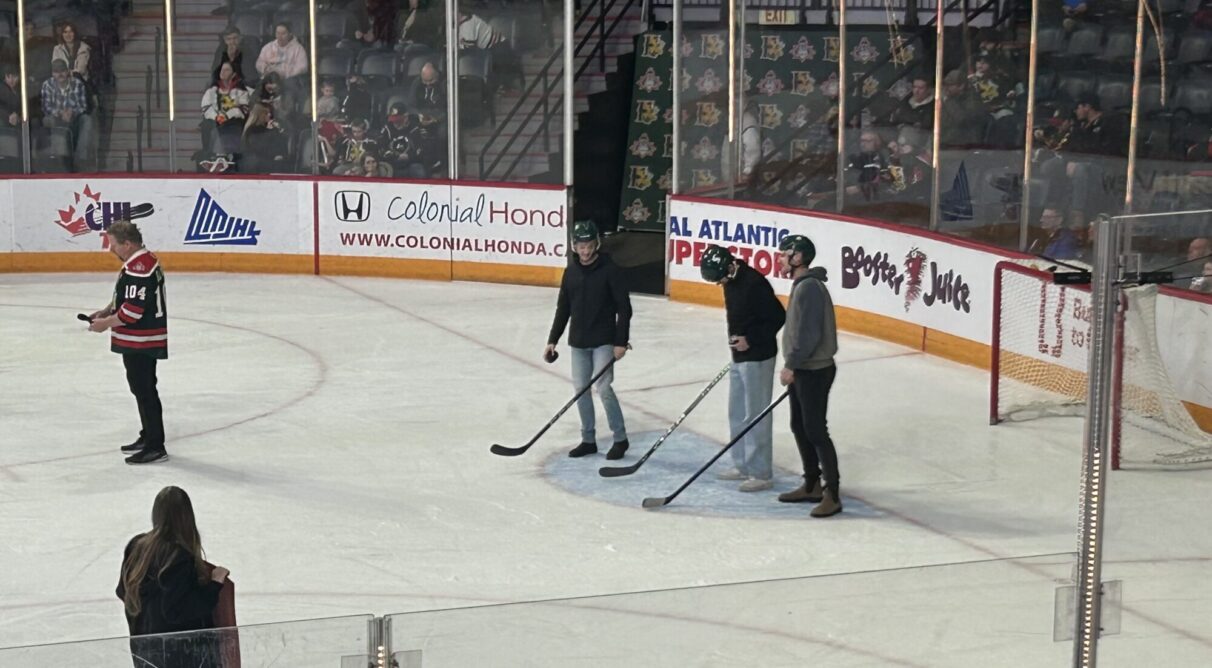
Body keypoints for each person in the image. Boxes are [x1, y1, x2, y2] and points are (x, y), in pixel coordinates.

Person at [700, 244, 786, 492]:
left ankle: (761, 472)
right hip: (739, 356)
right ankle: (742, 465)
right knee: (736, 412)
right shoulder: (729, 280)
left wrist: (751, 339)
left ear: (730, 266)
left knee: (756, 415)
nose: (722, 283)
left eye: (722, 278)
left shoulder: (753, 283)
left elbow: (778, 317)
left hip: (758, 356)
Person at [546, 220, 632, 459]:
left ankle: (620, 438)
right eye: (580, 246)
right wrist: (553, 339)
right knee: (580, 390)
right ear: (574, 246)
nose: (585, 251)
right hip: (578, 342)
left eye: (589, 245)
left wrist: (621, 341)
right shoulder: (571, 272)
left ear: (597, 244)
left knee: (603, 388)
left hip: (604, 340)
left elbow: (624, 308)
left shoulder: (610, 270)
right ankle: (588, 439)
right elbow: (563, 308)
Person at [116, 486, 229, 667]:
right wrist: (215, 584)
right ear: (187, 518)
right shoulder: (180, 558)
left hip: (145, 652)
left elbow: (123, 592)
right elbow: (177, 610)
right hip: (180, 657)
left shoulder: (136, 547)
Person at [86, 220, 169, 465]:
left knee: (144, 391)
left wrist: (105, 324)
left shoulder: (138, 268)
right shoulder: (144, 260)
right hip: (141, 339)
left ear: (128, 244)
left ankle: (155, 445)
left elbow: (132, 312)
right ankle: (149, 436)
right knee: (142, 389)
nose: (111, 249)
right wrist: (106, 310)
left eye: (113, 245)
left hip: (141, 340)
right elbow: (126, 300)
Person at [777, 234, 842, 517]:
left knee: (815, 429)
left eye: (784, 254)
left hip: (813, 370)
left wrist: (792, 363)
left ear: (798, 257)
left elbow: (809, 333)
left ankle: (832, 493)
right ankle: (812, 483)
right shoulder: (802, 286)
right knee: (799, 425)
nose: (779, 259)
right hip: (804, 368)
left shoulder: (809, 289)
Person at [41, 58, 95, 172]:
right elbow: (46, 107)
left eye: (62, 71)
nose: (60, 74)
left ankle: (80, 159)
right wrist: (60, 113)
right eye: (56, 72)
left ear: (68, 71)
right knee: (47, 119)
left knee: (87, 120)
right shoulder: (47, 85)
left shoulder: (78, 83)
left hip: (74, 120)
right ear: (52, 74)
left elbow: (83, 106)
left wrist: (72, 112)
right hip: (56, 119)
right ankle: (58, 159)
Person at [200, 61, 251, 156]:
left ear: (234, 74)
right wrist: (217, 117)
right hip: (215, 121)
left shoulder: (241, 91)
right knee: (207, 125)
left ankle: (229, 155)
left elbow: (243, 109)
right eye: (222, 70)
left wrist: (227, 116)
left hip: (233, 121)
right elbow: (206, 109)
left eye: (227, 70)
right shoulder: (211, 91)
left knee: (232, 126)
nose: (223, 72)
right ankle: (212, 155)